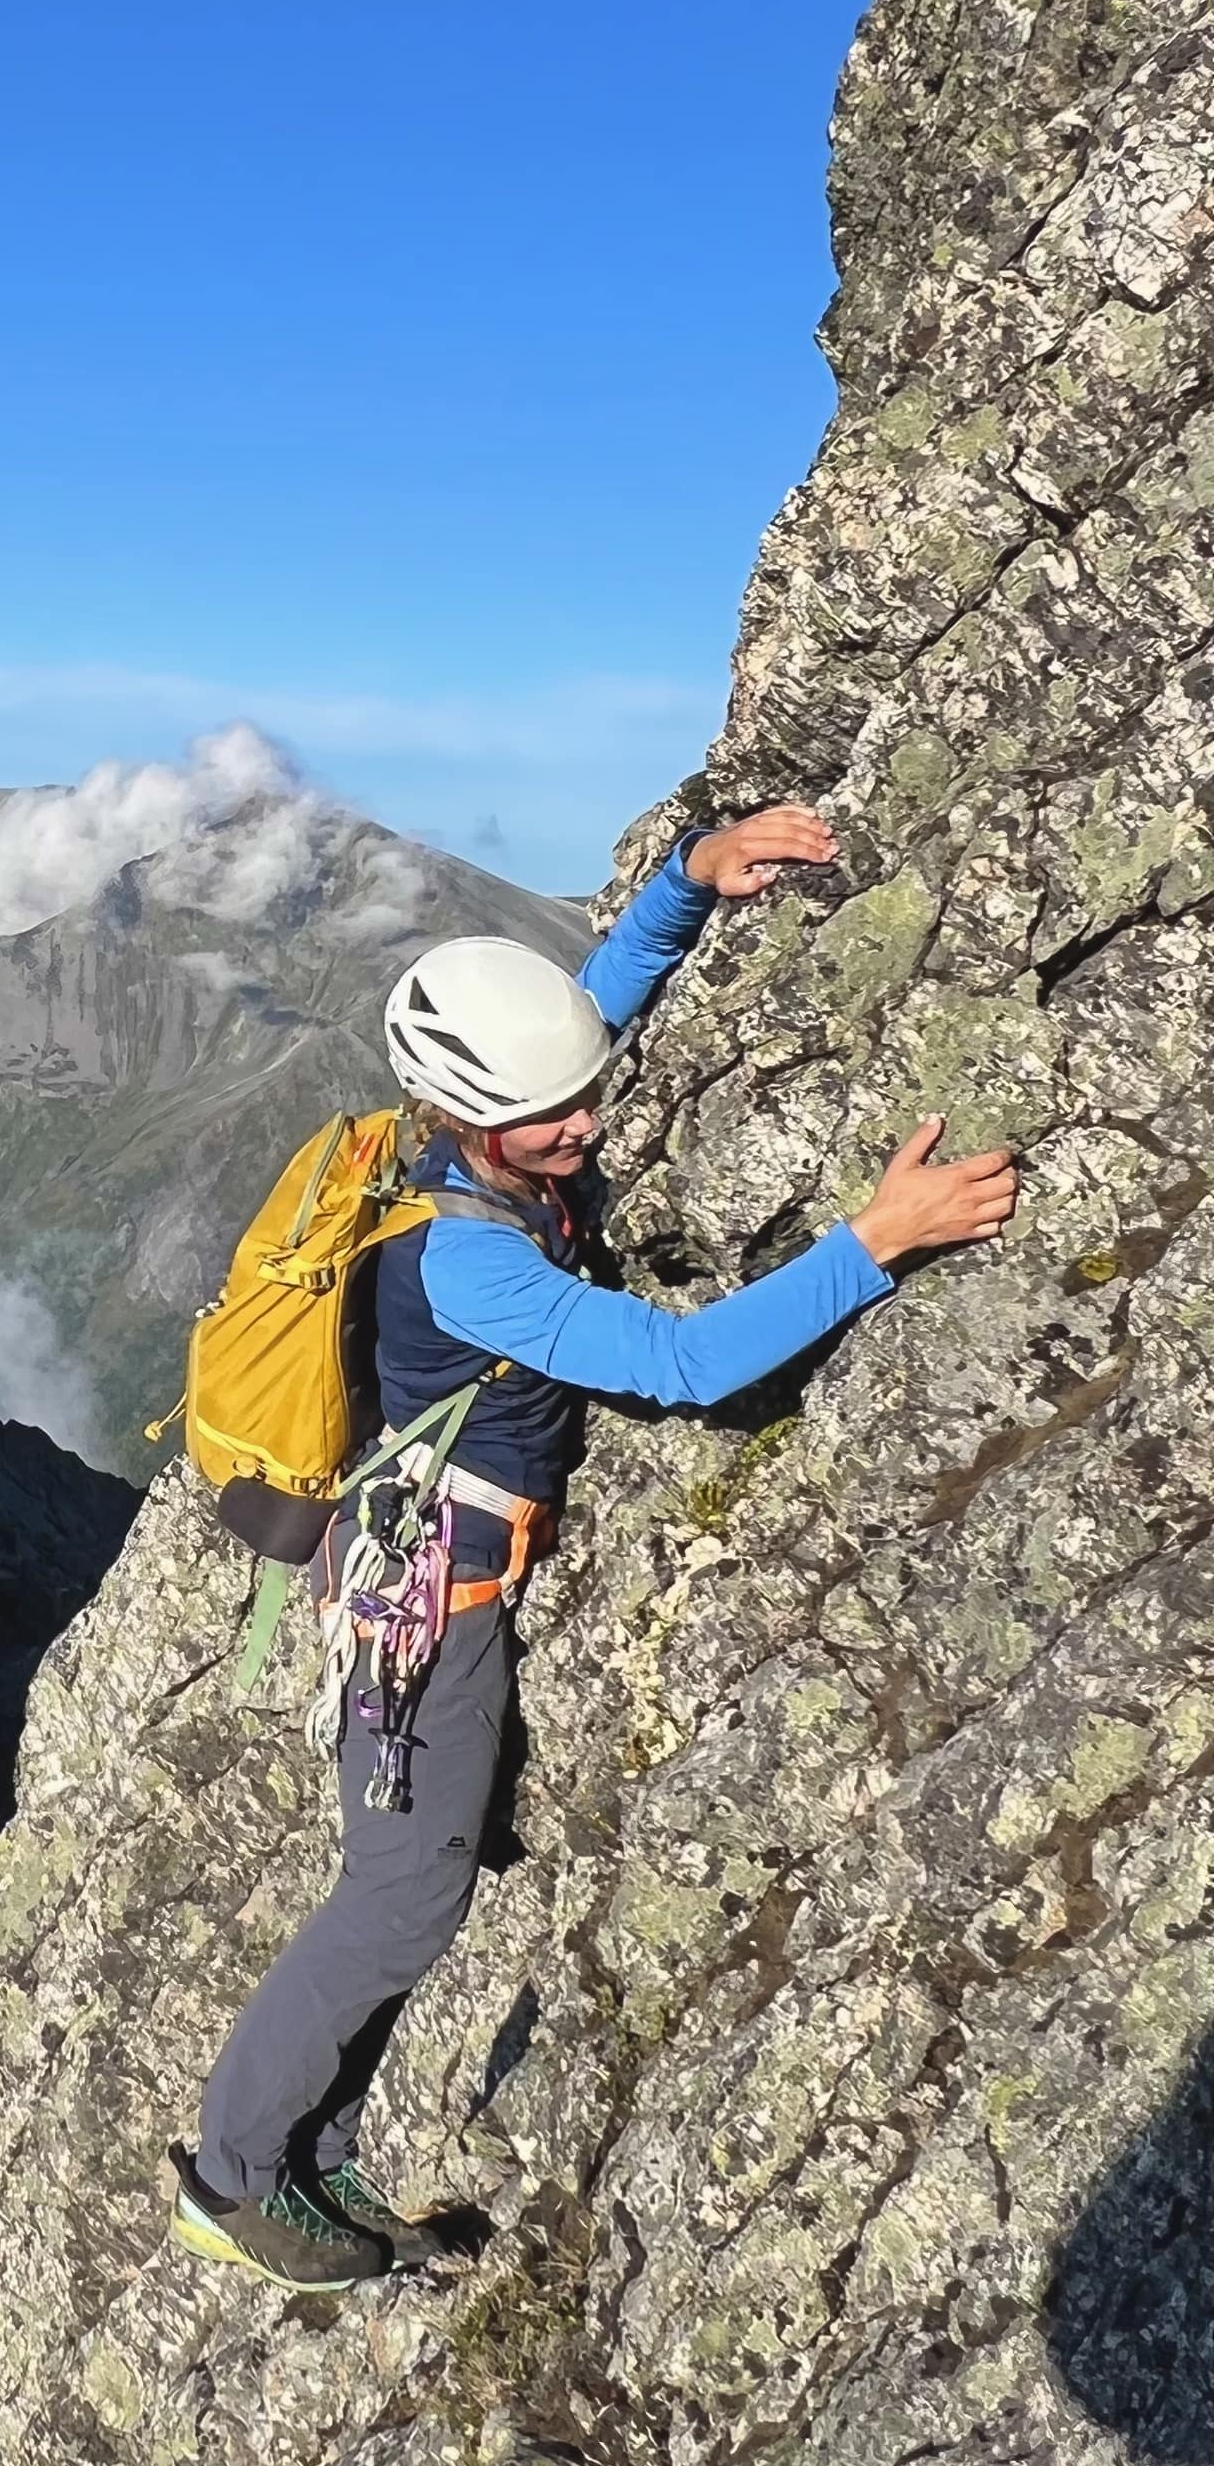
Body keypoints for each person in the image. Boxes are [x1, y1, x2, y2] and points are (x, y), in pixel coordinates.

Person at [174, 803, 1017, 2293]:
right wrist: (874, 1242)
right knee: (402, 1893)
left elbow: (590, 1019)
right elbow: (686, 1366)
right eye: (554, 1120)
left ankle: (314, 2146)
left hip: (437, 1560)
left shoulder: (475, 1140)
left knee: (419, 1871)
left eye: (580, 1101)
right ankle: (237, 2174)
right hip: (434, 1592)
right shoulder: (471, 1257)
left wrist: (690, 883)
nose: (588, 1127)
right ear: (474, 1122)